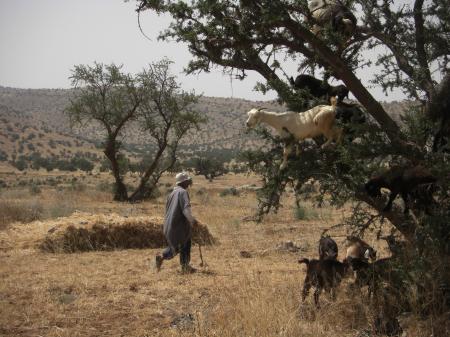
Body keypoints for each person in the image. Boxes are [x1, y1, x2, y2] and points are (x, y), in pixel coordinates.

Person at [155, 172, 197, 273]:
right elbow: (186, 209)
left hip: (169, 226)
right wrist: (192, 221)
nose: (189, 183)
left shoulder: (171, 194)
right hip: (178, 226)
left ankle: (165, 258)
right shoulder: (182, 192)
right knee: (184, 245)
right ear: (183, 182)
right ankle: (184, 266)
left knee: (179, 246)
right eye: (187, 181)